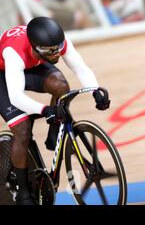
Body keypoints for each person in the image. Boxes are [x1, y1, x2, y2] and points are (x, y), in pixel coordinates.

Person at [0, 17, 110, 205]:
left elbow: (80, 68)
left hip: (32, 64)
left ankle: (54, 134)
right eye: (50, 51)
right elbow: (16, 96)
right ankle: (24, 194)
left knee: (61, 85)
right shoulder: (14, 52)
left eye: (58, 48)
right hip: (4, 75)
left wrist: (95, 90)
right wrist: (45, 110)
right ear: (35, 47)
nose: (56, 54)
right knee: (23, 131)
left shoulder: (53, 44)